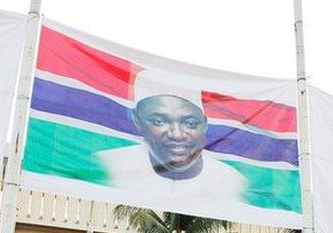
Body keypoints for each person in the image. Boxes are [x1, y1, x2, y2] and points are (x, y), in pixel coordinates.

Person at [95, 71, 247, 204]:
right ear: (137, 120)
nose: (176, 134)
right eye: (159, 122)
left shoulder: (232, 182)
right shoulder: (109, 165)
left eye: (190, 123)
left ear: (205, 124)